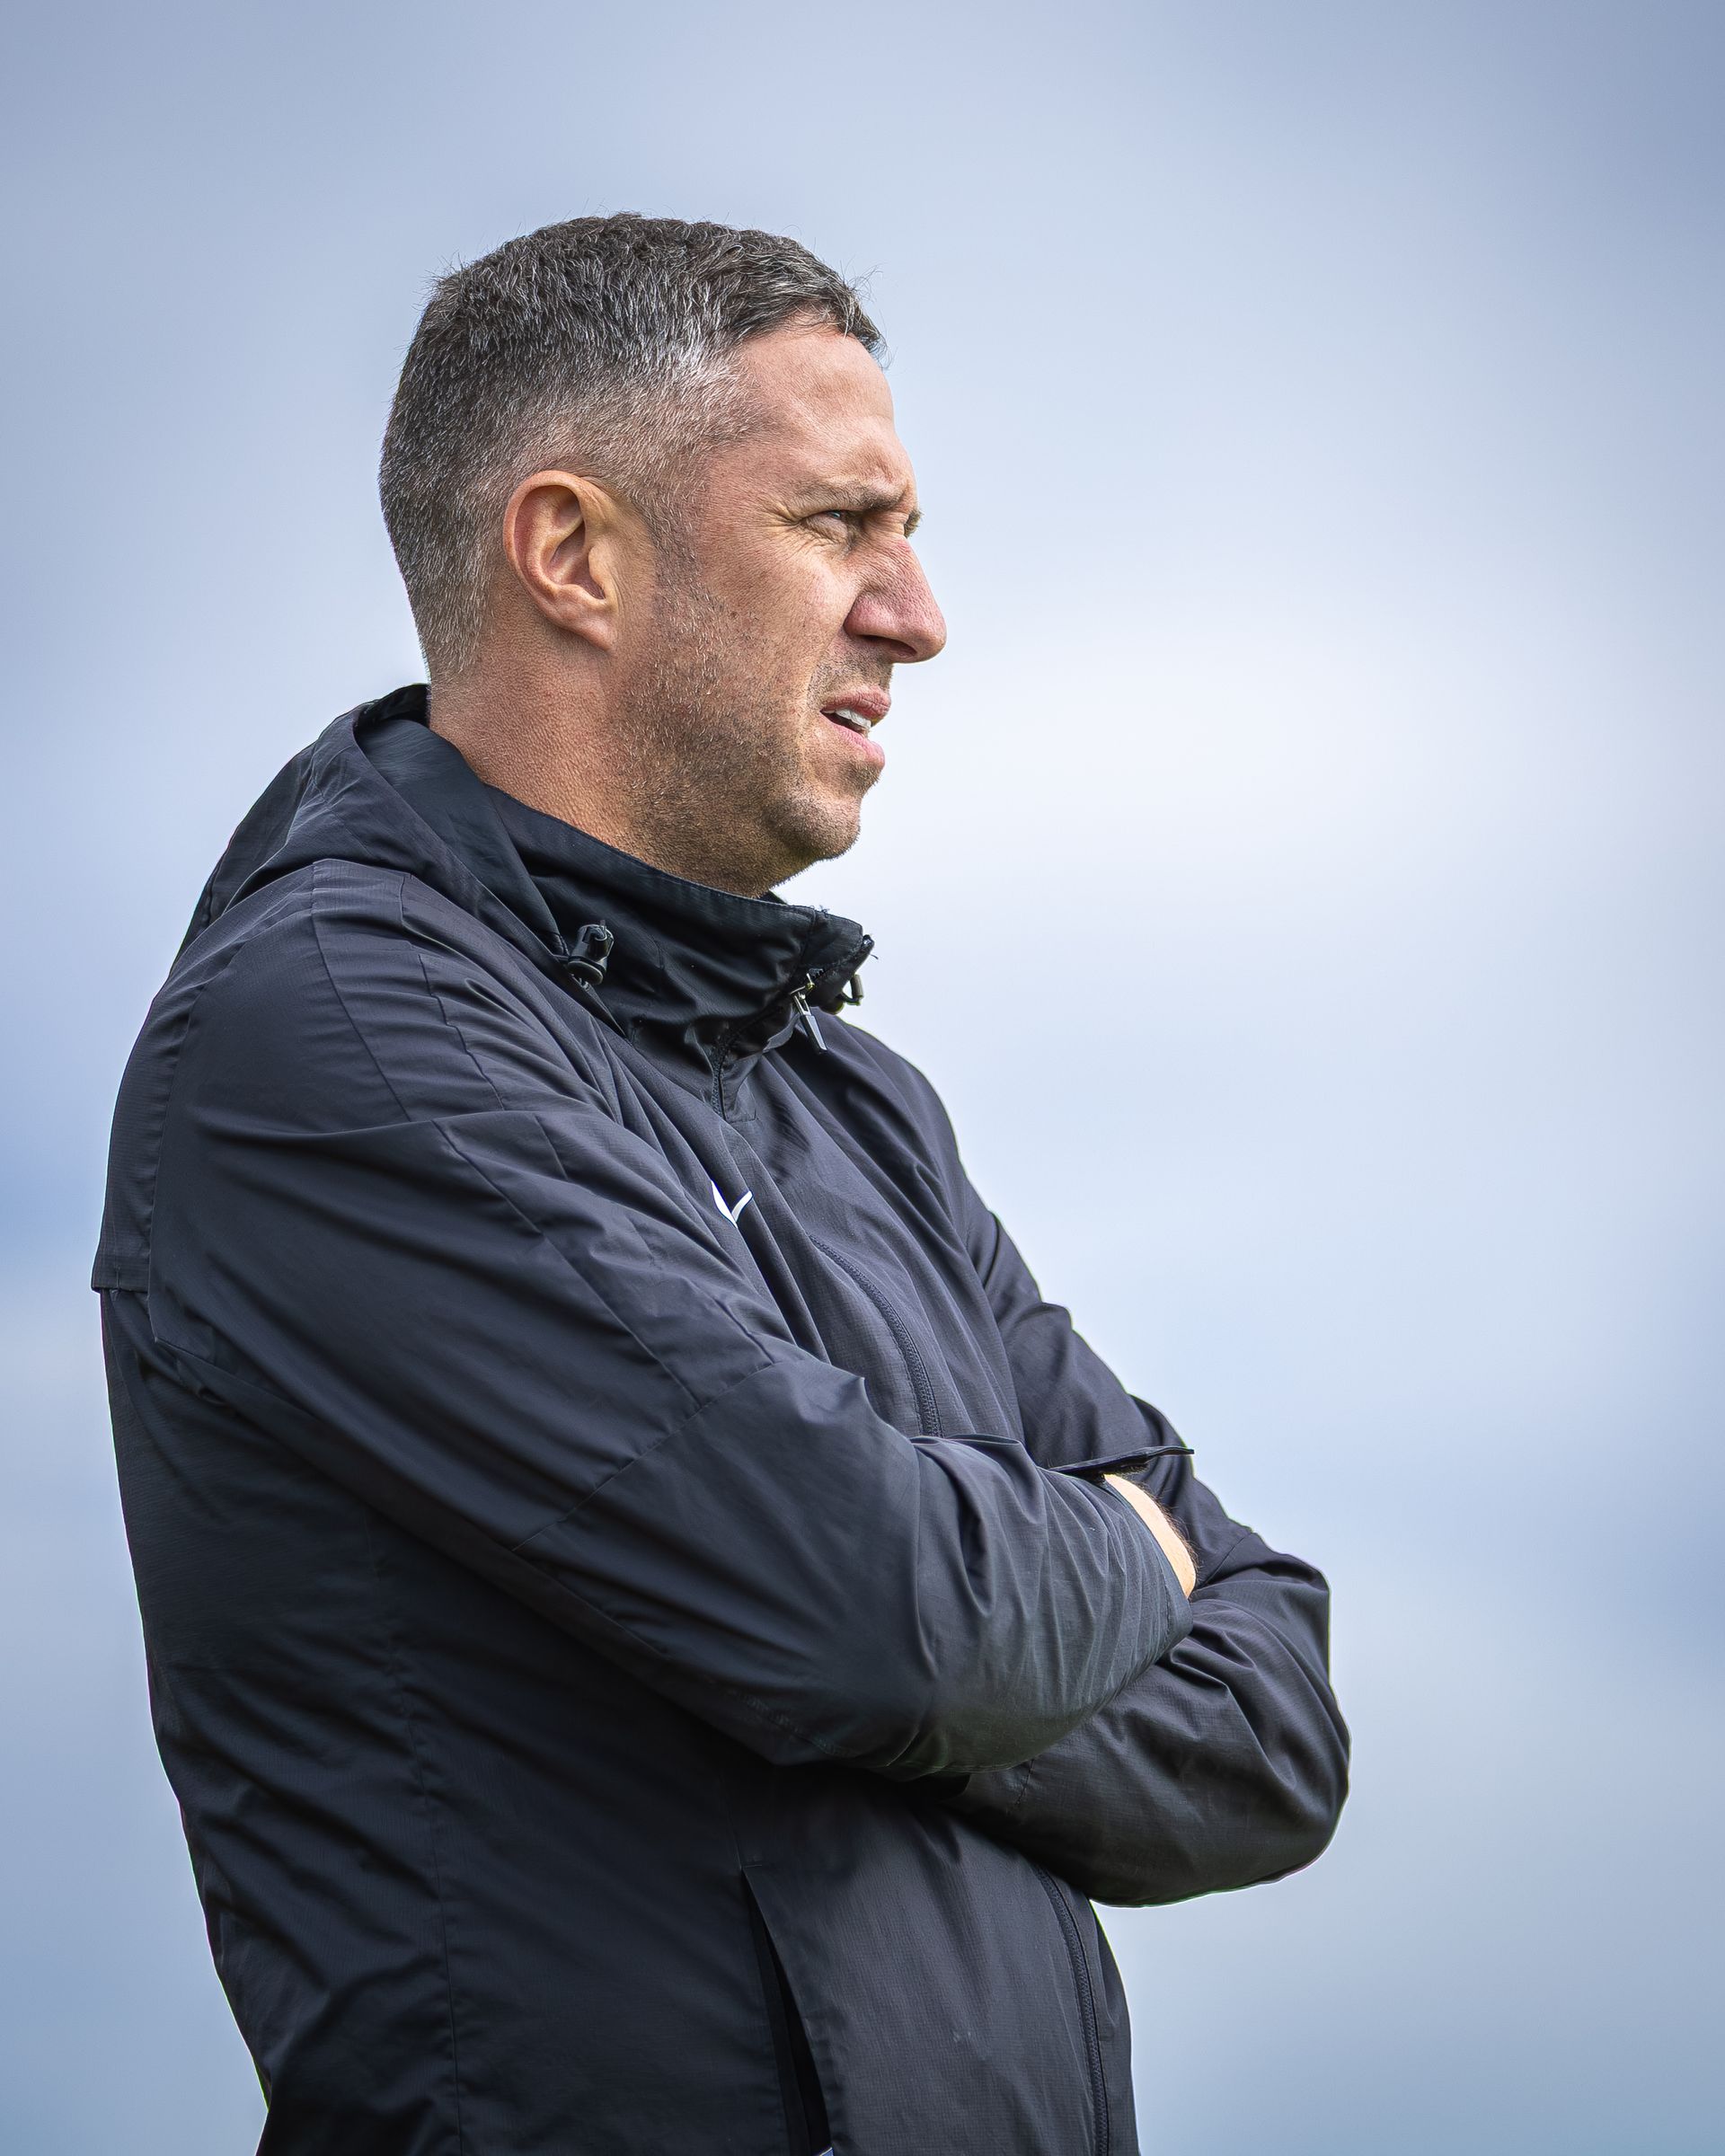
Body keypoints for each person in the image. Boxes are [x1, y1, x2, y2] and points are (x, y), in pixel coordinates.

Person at [95, 214, 1349, 2156]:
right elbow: (883, 1619)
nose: (916, 615)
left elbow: (1275, 1730)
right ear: (574, 554)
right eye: (839, 525)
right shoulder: (330, 1038)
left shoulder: (854, 1102)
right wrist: (1116, 1564)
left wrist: (923, 1644)